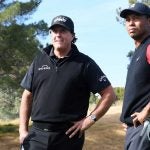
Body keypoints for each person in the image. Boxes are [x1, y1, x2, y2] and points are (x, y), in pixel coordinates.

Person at [19, 15, 116, 150]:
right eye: (54, 31)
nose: (58, 35)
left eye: (63, 31)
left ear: (72, 36)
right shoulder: (38, 61)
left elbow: (109, 94)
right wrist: (23, 130)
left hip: (68, 137)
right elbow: (27, 96)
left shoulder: (85, 63)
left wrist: (89, 120)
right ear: (50, 34)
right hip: (36, 136)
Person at [120, 2, 150, 150]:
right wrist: (128, 120)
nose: (131, 23)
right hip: (135, 129)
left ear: (149, 20)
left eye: (136, 18)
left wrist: (146, 112)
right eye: (127, 19)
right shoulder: (139, 50)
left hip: (145, 127)